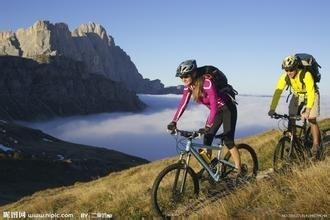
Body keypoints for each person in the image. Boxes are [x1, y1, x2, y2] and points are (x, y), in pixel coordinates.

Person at [167, 59, 244, 177]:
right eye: (181, 77)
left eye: (186, 76)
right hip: (216, 113)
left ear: (193, 73)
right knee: (206, 140)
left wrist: (208, 125)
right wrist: (174, 121)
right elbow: (183, 104)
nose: (183, 79)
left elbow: (213, 105)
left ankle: (239, 170)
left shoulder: (207, 82)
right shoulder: (189, 87)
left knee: (228, 141)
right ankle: (210, 169)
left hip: (228, 108)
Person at [268, 55, 321, 158]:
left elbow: (311, 93)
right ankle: (294, 141)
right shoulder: (284, 77)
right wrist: (272, 108)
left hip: (312, 95)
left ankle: (316, 145)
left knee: (311, 119)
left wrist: (308, 110)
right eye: (286, 70)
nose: (289, 72)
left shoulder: (306, 75)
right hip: (297, 95)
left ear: (296, 67)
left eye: (291, 69)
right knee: (291, 118)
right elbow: (278, 92)